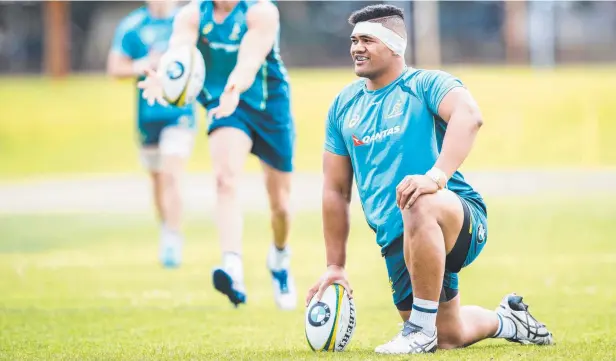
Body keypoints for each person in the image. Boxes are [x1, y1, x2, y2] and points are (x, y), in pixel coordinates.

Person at [306, 4, 554, 354]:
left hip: (453, 218)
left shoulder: (425, 84)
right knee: (449, 336)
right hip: (397, 240)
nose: (356, 48)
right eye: (353, 40)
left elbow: (469, 116)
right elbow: (335, 189)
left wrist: (435, 178)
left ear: (394, 46)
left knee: (416, 196)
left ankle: (417, 330)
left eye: (366, 40)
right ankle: (507, 319)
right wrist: (335, 266)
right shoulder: (343, 106)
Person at [138, 0, 296, 310]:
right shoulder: (191, 15)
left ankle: (279, 258)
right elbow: (180, 55)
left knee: (280, 206)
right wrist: (166, 79)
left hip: (268, 107)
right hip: (224, 106)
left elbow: (249, 60)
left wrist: (235, 88)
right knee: (225, 179)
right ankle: (232, 265)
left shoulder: (260, 11)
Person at [107, 0, 198, 269]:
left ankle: (173, 237)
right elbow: (114, 68)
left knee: (171, 173)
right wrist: (142, 65)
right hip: (148, 117)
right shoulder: (133, 26)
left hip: (178, 114)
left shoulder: (186, 21)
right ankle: (167, 229)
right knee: (157, 180)